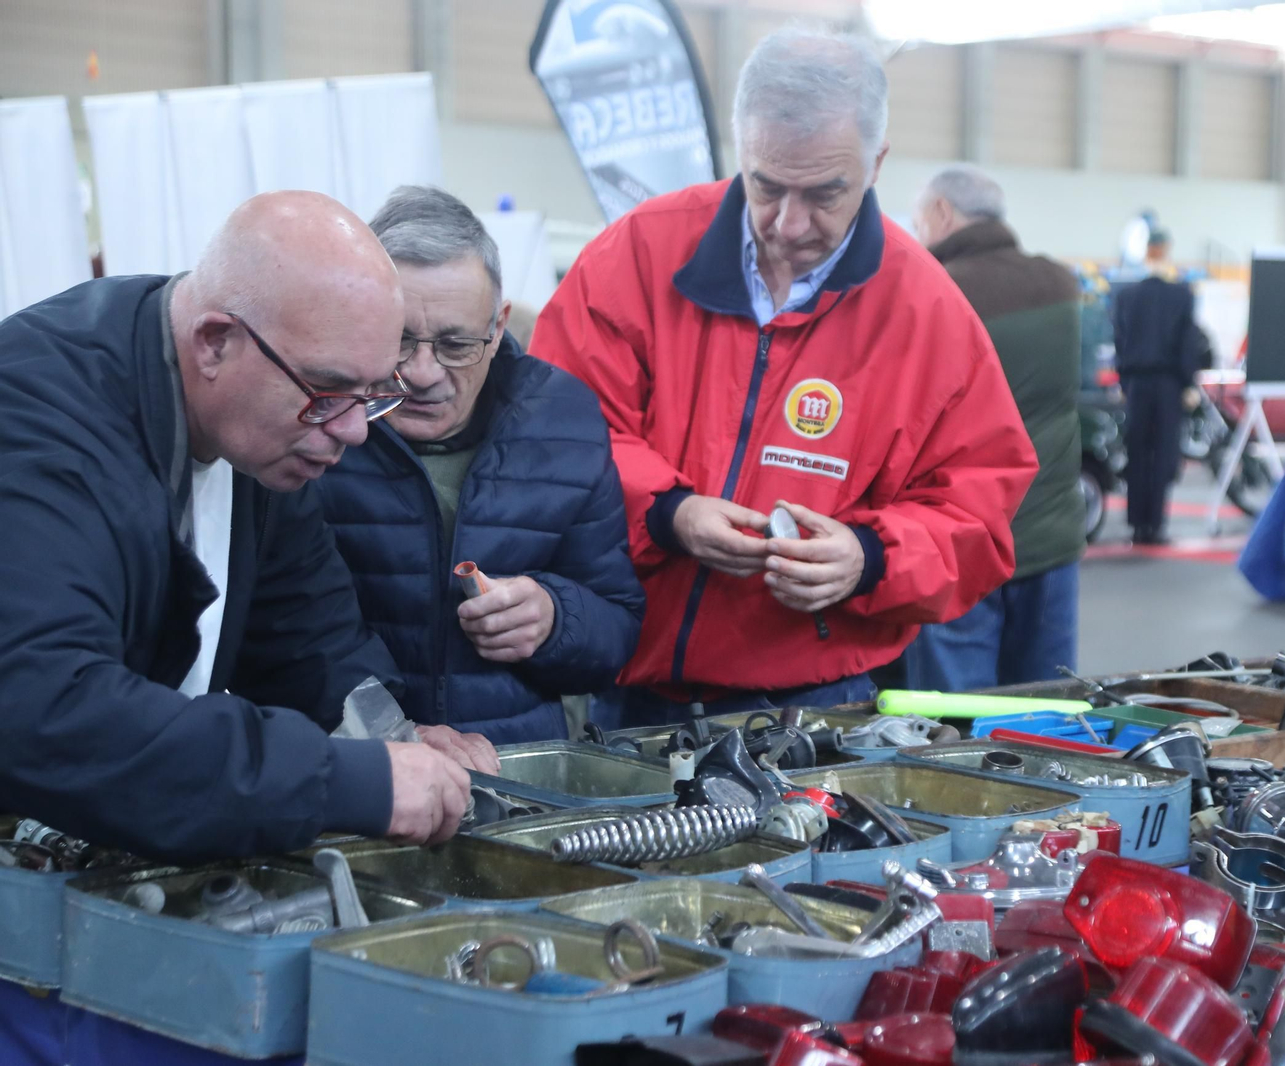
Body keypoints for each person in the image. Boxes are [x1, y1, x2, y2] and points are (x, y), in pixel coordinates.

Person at [536, 28, 1038, 729]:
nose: (789, 223)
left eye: (825, 193)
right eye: (766, 186)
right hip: (630, 689)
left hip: (822, 701)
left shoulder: (928, 311)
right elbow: (558, 427)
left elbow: (978, 512)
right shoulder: (638, 256)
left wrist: (868, 558)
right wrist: (666, 511)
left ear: (876, 163)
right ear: (741, 148)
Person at [0, 191, 496, 862]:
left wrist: (390, 739)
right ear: (214, 343)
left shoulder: (262, 436)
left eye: (372, 395)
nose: (352, 430)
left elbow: (307, 636)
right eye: (329, 392)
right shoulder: (39, 428)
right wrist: (346, 781)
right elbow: (50, 711)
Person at [316, 186, 644, 745]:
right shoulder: (311, 425)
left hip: (521, 773)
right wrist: (392, 740)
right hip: (350, 768)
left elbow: (616, 631)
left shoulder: (562, 424)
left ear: (499, 329)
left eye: (455, 344)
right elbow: (273, 635)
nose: (422, 372)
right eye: (398, 339)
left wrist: (555, 618)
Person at [903, 166, 1084, 688]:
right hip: (1052, 537)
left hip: (961, 542)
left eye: (920, 222)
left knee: (951, 726)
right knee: (1045, 714)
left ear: (942, 213)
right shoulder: (1060, 282)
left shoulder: (935, 290)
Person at [1112, 228, 1208, 545]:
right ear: (1165, 250)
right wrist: (1189, 383)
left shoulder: (1127, 295)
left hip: (1137, 383)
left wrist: (1124, 381)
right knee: (1164, 452)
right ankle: (1156, 523)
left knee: (1138, 451)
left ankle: (1137, 524)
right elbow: (1187, 342)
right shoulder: (1181, 295)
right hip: (1168, 384)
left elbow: (1120, 343)